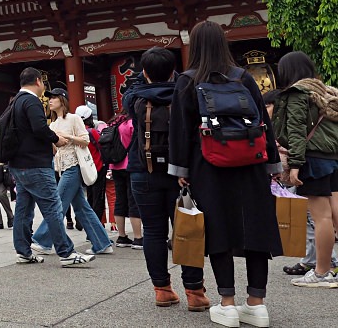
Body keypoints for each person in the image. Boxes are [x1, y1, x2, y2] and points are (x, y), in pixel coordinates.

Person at [168, 21, 283, 328]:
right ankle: (257, 305)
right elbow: (264, 125)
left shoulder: (188, 81)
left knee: (219, 230)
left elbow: (180, 130)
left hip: (209, 165)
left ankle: (228, 304)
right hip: (251, 163)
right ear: (223, 43)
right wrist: (272, 164)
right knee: (255, 227)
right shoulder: (243, 77)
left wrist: (181, 170)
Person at [126, 47, 210, 311]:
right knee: (187, 229)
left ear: (144, 72)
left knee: (153, 231)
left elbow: (137, 84)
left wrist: (144, 77)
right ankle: (195, 292)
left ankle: (162, 290)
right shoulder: (186, 93)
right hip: (182, 173)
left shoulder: (134, 97)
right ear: (174, 70)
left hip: (143, 170)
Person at [9, 68, 95, 268]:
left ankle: (23, 251)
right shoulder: (31, 101)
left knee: (23, 209)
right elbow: (40, 128)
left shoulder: (14, 103)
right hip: (35, 164)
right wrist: (57, 139)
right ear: (39, 81)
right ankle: (66, 252)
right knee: (52, 207)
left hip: (18, 164)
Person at [273, 51, 338, 288]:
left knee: (321, 218)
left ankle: (322, 272)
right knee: (335, 214)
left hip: (314, 160)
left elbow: (296, 131)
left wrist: (296, 166)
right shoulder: (326, 90)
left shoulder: (297, 94)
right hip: (334, 158)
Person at [29, 88, 112, 256]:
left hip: (74, 166)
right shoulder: (52, 124)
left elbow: (85, 140)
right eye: (49, 98)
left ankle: (43, 240)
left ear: (62, 99)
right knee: (82, 208)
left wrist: (67, 137)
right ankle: (102, 243)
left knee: (57, 203)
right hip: (62, 167)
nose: (50, 101)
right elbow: (55, 149)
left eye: (53, 98)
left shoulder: (74, 118)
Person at [109, 109, 142, 249]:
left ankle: (121, 236)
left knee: (120, 200)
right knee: (133, 199)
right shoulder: (131, 123)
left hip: (115, 165)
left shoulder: (114, 122)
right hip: (130, 164)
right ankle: (138, 237)